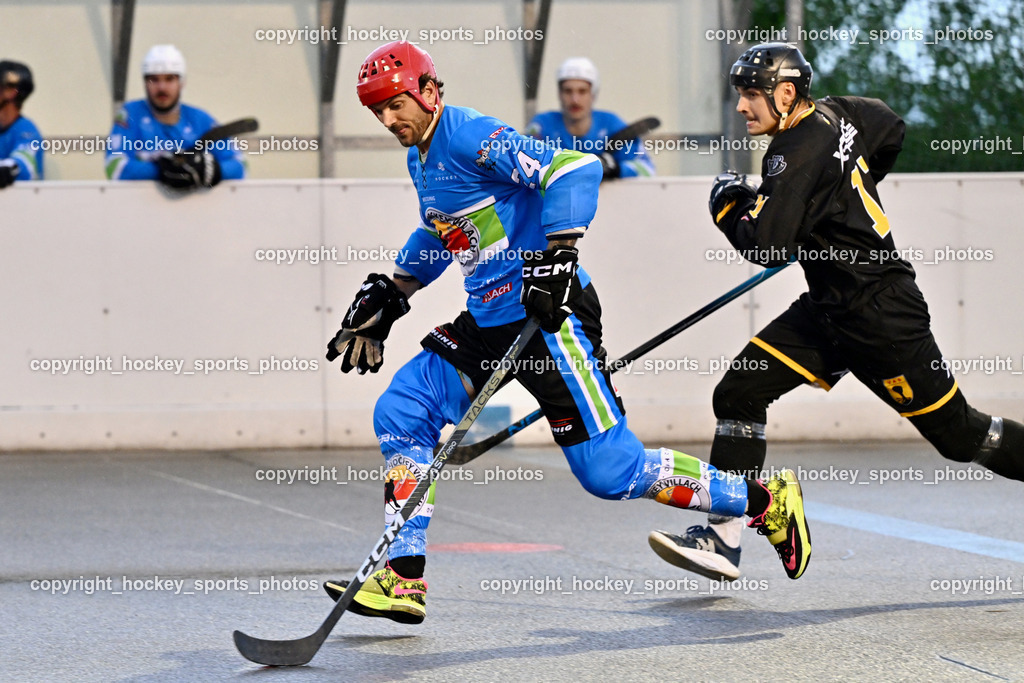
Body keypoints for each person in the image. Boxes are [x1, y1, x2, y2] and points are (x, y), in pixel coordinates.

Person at [320, 40, 811, 626]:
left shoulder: (470, 135)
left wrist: (559, 253)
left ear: (428, 91)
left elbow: (571, 169)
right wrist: (395, 289)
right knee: (402, 409)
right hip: (488, 323)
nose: (387, 119)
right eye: (376, 110)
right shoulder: (422, 156)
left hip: (549, 319)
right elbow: (445, 231)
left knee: (611, 472)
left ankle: (763, 503)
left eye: (395, 104)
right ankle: (403, 579)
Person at [649, 42, 1024, 582]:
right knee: (738, 392)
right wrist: (838, 202)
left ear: (784, 93)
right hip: (829, 308)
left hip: (881, 318)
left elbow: (768, 246)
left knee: (962, 436)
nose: (741, 107)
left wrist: (727, 207)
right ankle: (723, 537)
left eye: (751, 95)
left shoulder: (789, 153)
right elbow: (890, 128)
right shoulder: (841, 112)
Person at [104, 44, 244, 189]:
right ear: (145, 83)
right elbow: (114, 166)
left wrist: (212, 170)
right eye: (154, 79)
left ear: (182, 82)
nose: (162, 87)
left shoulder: (200, 120)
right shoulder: (130, 115)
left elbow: (240, 165)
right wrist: (162, 169)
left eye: (169, 79)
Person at [525, 57, 654, 181]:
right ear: (559, 94)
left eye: (582, 91)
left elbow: (648, 171)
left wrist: (616, 169)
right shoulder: (542, 125)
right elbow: (523, 167)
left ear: (593, 94)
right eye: (568, 91)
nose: (575, 99)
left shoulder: (612, 124)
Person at [0, 60, 43, 189]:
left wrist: (7, 169)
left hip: (24, 206)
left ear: (11, 92)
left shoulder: (26, 130)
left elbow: (25, 161)